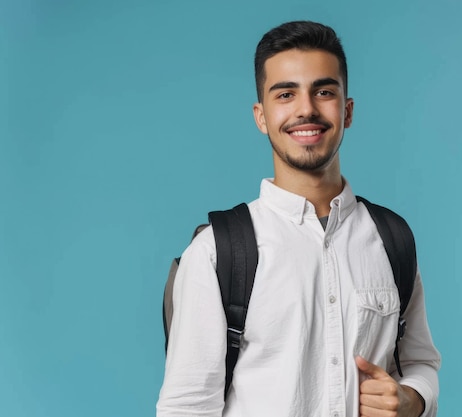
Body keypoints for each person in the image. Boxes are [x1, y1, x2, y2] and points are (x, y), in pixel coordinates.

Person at [156, 20, 441, 417]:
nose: (306, 109)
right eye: (285, 94)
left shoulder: (392, 239)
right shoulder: (217, 253)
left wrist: (414, 400)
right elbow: (186, 407)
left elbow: (421, 363)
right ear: (261, 116)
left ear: (348, 110)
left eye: (324, 91)